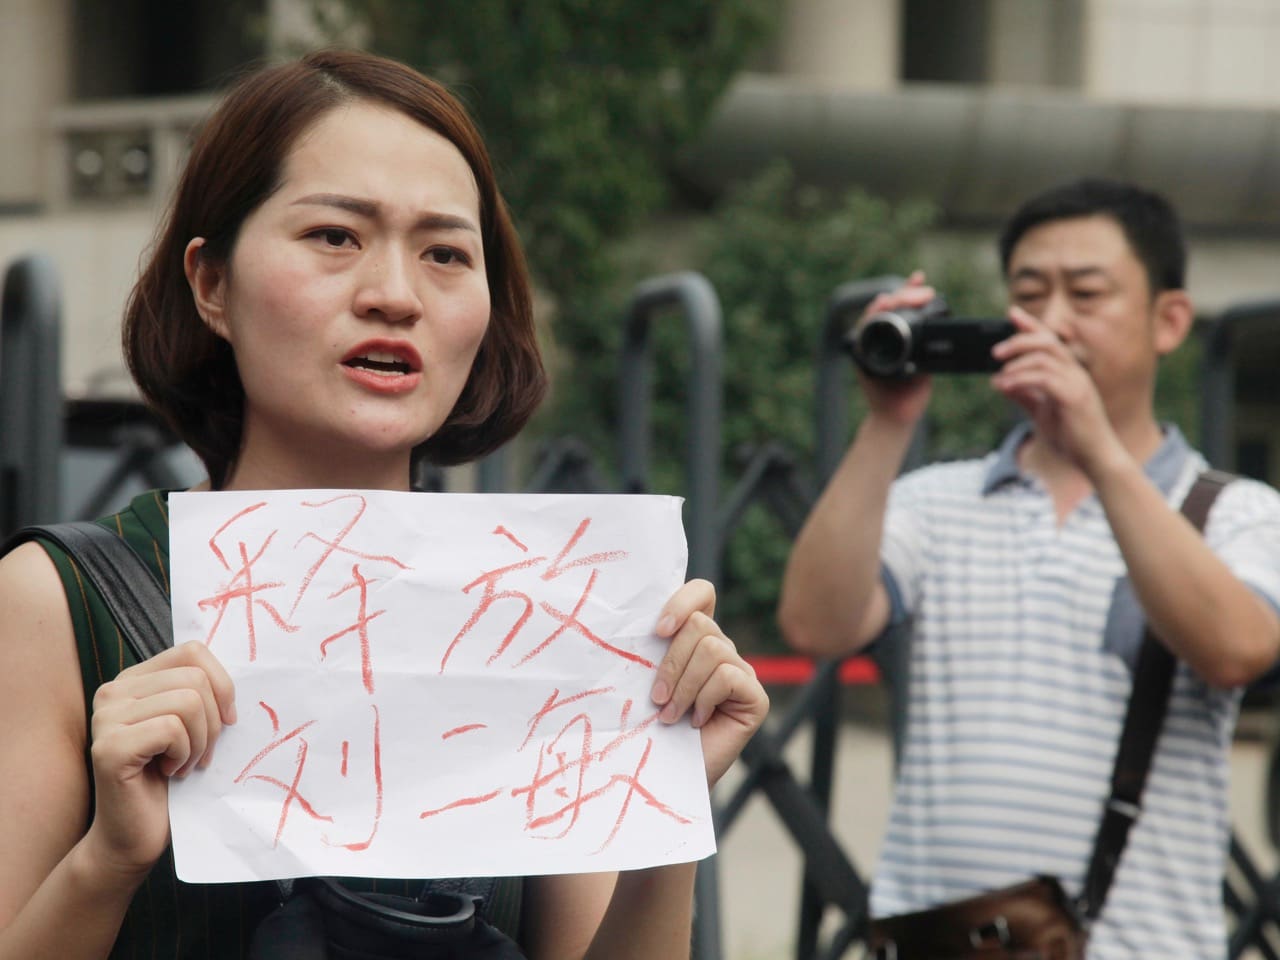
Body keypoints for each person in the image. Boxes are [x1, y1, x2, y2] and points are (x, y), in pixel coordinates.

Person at [0, 49, 768, 959]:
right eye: (335, 236)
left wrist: (661, 803)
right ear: (211, 284)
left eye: (445, 253)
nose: (394, 295)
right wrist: (111, 858)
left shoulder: (553, 609)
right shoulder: (54, 602)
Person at [777, 178, 1280, 958]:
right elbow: (816, 623)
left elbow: (1236, 649)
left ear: (1170, 319)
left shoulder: (1234, 511)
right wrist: (887, 423)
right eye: (1028, 293)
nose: (1050, 321)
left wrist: (1100, 452)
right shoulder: (935, 499)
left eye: (1086, 293)